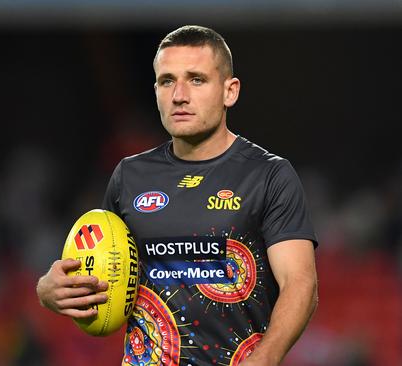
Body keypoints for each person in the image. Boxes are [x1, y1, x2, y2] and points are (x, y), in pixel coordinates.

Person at [37, 25, 318, 366]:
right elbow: (104, 280)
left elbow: (300, 284)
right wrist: (50, 291)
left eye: (196, 79)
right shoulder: (128, 176)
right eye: (167, 81)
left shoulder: (269, 174)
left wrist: (265, 358)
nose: (179, 95)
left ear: (230, 91)